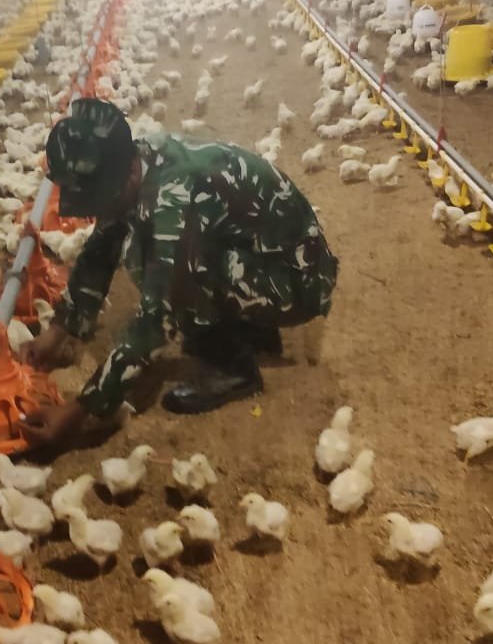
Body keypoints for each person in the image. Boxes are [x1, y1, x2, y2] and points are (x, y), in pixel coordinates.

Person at [20, 98, 338, 446]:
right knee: (151, 249)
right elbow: (100, 249)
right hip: (266, 255)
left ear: (123, 177)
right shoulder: (136, 158)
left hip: (298, 279)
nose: (96, 211)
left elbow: (156, 317)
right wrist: (58, 332)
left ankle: (233, 368)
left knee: (164, 270)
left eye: (99, 199)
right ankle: (249, 326)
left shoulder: (173, 198)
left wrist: (77, 412)